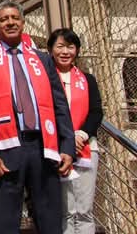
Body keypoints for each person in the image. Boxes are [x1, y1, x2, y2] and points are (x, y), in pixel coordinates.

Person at [0, 0, 75, 233]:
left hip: (44, 149)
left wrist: (67, 146)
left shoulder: (43, 60)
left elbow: (60, 105)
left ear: (23, 23)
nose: (10, 23)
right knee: (5, 224)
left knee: (50, 222)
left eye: (15, 18)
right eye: (4, 19)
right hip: (3, 152)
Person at [48, 28, 103, 234]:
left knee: (84, 210)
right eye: (60, 46)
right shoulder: (44, 78)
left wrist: (80, 135)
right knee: (66, 211)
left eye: (70, 47)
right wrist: (66, 138)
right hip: (56, 148)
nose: (65, 52)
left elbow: (96, 111)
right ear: (51, 50)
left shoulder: (88, 79)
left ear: (77, 51)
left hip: (86, 148)